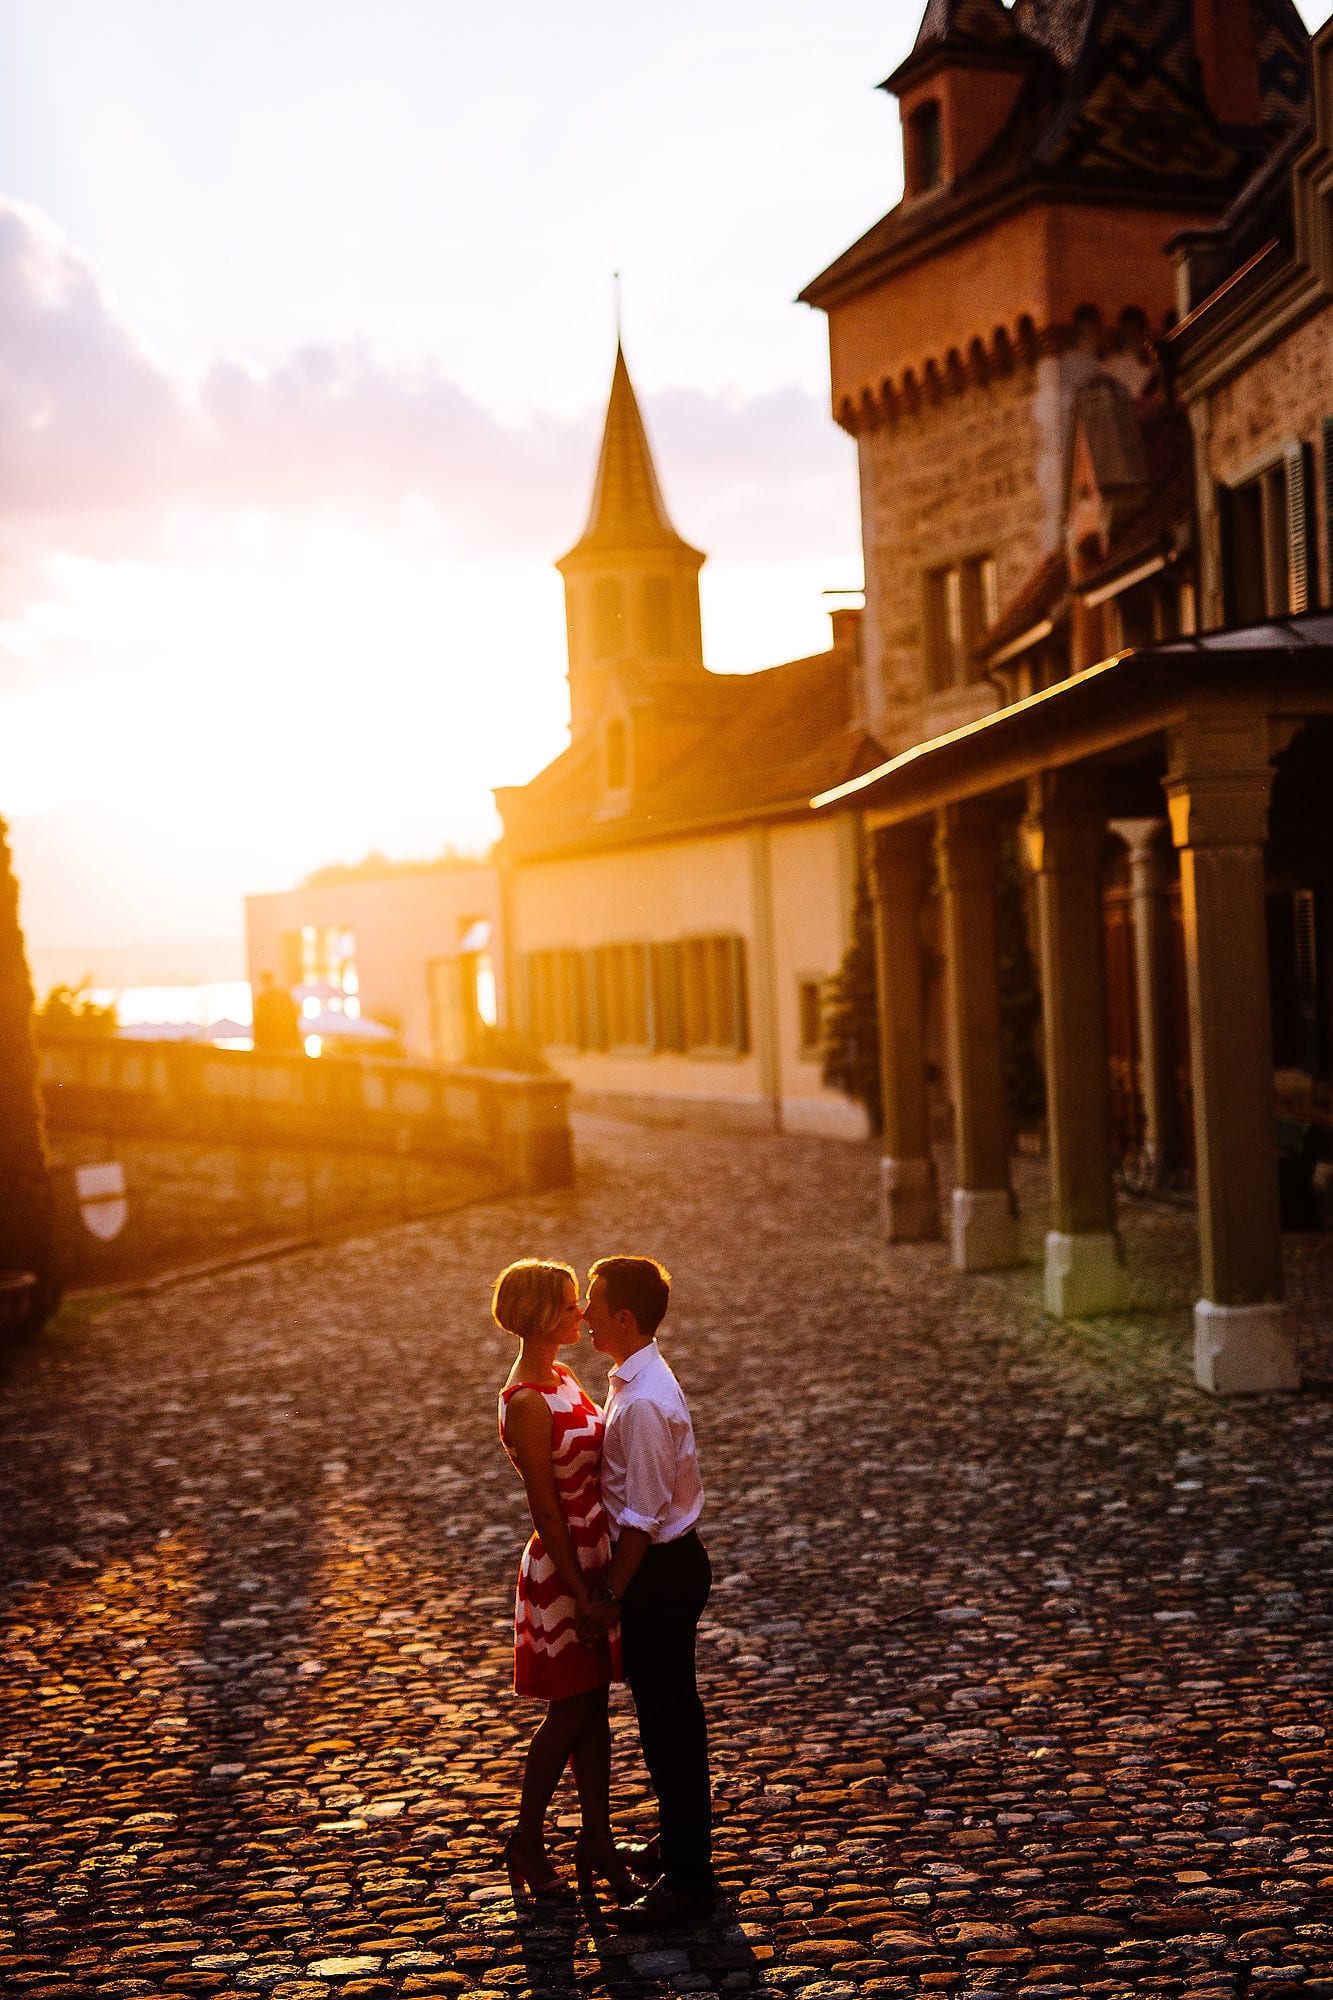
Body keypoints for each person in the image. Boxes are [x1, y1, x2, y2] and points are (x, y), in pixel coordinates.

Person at [493, 1258, 639, 1905]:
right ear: (544, 1315)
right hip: (562, 1567)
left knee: (594, 1708)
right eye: (571, 1303)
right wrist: (581, 1592)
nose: (582, 1311)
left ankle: (597, 1838)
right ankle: (527, 1837)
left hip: (594, 1550)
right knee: (572, 1707)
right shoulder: (525, 1400)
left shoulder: (563, 1374)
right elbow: (544, 1509)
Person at [581, 1255, 717, 1926]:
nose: (583, 1315)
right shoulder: (636, 1379)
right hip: (668, 1567)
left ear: (623, 1318)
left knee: (669, 1728)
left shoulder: (640, 1402)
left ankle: (690, 1880)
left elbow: (639, 1520)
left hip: (659, 1575)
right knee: (670, 1720)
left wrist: (608, 1596)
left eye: (593, 1306)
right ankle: (679, 1845)